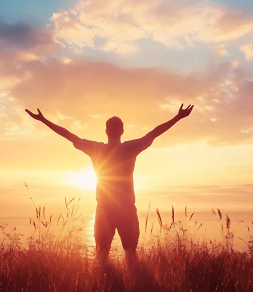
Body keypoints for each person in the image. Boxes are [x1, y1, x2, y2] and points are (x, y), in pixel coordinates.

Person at [25, 104, 194, 261]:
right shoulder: (130, 148)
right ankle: (133, 288)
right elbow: (155, 132)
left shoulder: (96, 149)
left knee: (102, 254)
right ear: (122, 131)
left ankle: (104, 289)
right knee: (130, 254)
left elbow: (68, 135)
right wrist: (178, 117)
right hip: (126, 207)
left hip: (105, 208)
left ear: (106, 131)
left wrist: (43, 120)